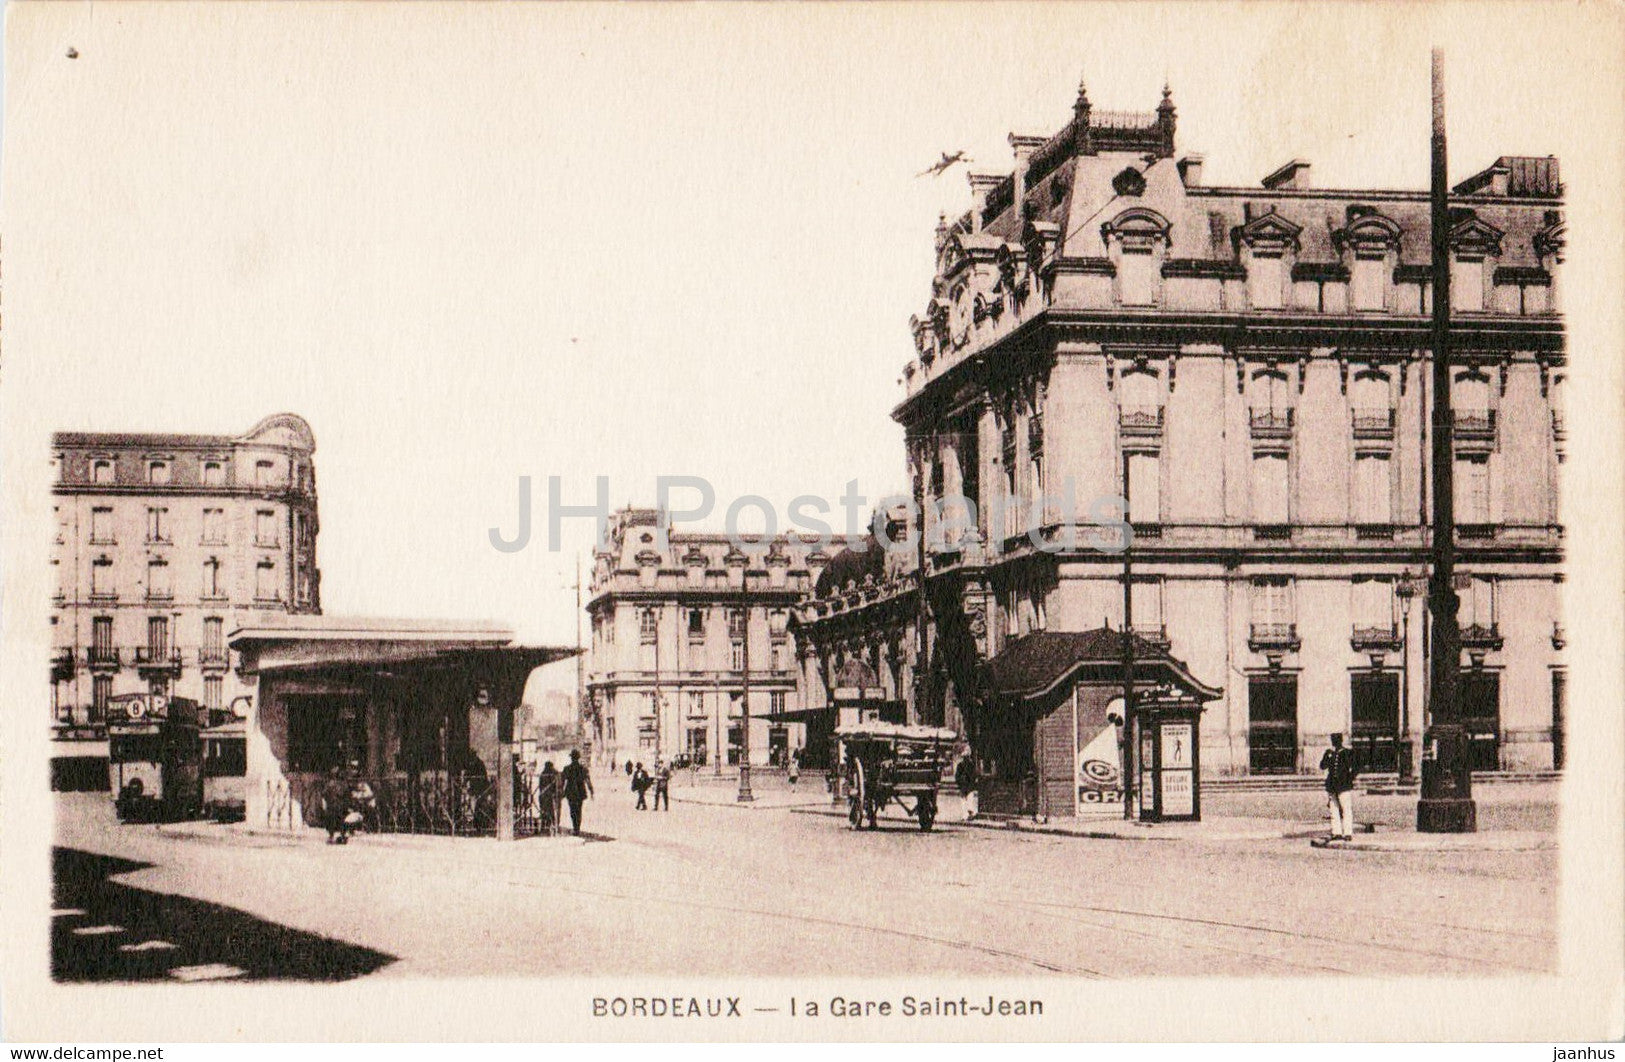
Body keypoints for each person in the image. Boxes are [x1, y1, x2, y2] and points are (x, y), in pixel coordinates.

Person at [1320, 732, 1361, 843]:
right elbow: (1322, 766)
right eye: (1333, 740)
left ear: (1341, 741)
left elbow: (1356, 767)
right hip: (1332, 785)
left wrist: (1350, 778)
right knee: (1334, 809)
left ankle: (1347, 832)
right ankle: (1336, 832)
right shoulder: (1329, 753)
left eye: (1337, 740)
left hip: (1344, 785)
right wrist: (1326, 757)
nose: (1335, 742)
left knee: (1346, 809)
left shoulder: (1347, 753)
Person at [560, 749, 593, 836]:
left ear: (571, 758)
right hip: (580, 792)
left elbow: (562, 781)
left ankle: (575, 828)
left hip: (570, 793)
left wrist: (562, 792)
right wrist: (591, 791)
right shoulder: (583, 769)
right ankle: (577, 828)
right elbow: (588, 781)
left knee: (572, 811)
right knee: (579, 811)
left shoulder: (567, 768)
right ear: (578, 758)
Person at [954, 749, 981, 822]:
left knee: (968, 799)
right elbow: (957, 776)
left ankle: (968, 814)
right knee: (965, 800)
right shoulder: (963, 765)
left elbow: (973, 775)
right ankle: (966, 814)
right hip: (965, 785)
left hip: (967, 785)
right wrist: (959, 782)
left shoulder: (969, 765)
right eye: (965, 757)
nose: (965, 759)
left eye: (966, 757)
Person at [536, 760, 560, 834]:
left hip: (543, 796)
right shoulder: (553, 774)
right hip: (549, 796)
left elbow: (540, 786)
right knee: (551, 812)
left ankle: (544, 827)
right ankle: (552, 827)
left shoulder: (543, 774)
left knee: (543, 811)